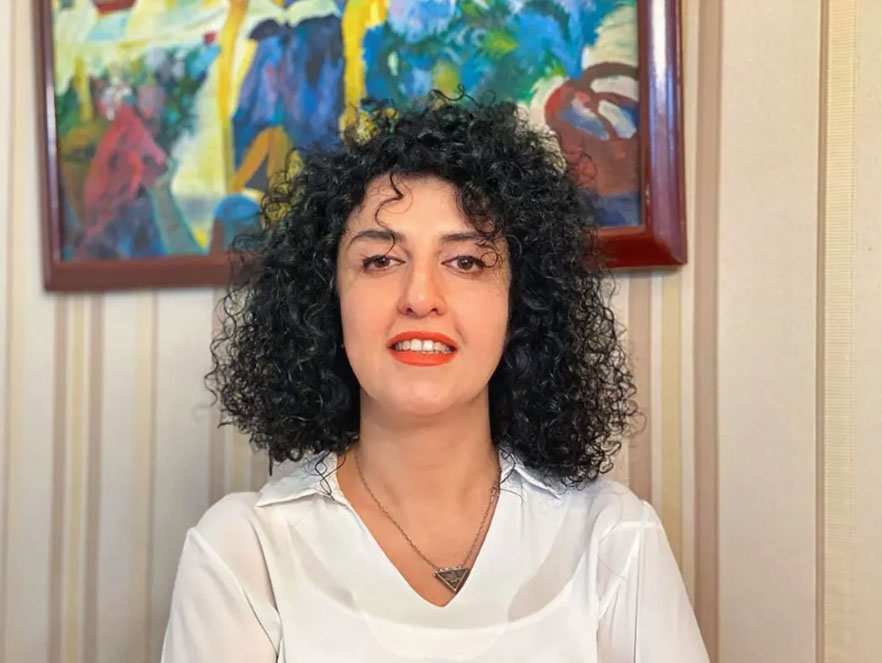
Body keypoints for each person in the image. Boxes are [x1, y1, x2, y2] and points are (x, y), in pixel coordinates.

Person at [160, 91, 710, 662]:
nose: (420, 297)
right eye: (381, 261)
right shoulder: (244, 550)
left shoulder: (613, 536)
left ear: (522, 302)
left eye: (466, 261)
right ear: (326, 301)